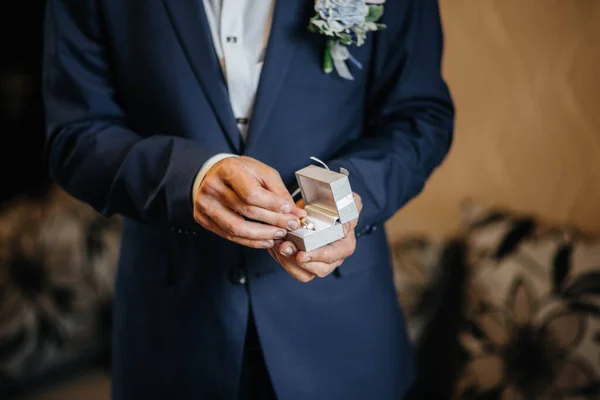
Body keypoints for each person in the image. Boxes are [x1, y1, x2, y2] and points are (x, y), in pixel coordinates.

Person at [43, 0, 454, 398]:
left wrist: (344, 196)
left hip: (341, 329)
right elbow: (75, 136)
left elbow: (420, 116)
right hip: (174, 330)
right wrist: (188, 179)